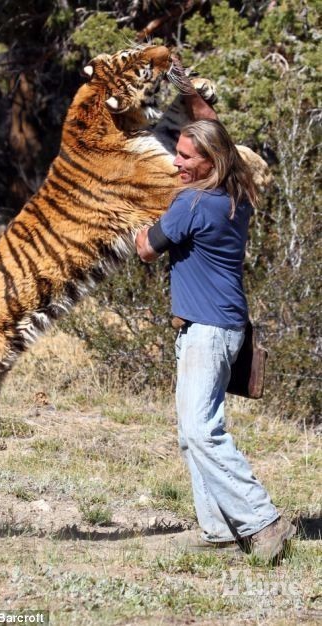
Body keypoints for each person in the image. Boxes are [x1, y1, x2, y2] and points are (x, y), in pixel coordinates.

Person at [135, 119, 295, 562]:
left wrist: (136, 224)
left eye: (186, 156)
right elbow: (218, 131)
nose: (176, 162)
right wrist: (193, 96)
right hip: (222, 326)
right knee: (193, 433)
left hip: (207, 328)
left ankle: (263, 521)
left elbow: (147, 248)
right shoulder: (236, 192)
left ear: (213, 159)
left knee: (201, 431)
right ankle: (220, 532)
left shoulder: (192, 202)